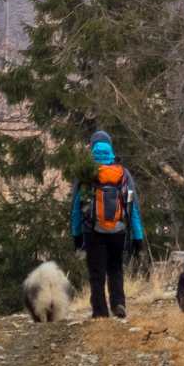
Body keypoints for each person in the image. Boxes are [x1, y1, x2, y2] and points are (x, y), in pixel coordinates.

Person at [70, 129, 145, 319]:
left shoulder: (87, 174)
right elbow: (133, 206)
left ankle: (100, 312)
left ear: (92, 148)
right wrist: (138, 236)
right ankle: (118, 303)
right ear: (110, 148)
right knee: (115, 267)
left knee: (96, 273)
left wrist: (77, 235)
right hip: (118, 231)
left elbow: (76, 208)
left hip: (92, 230)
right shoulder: (123, 174)